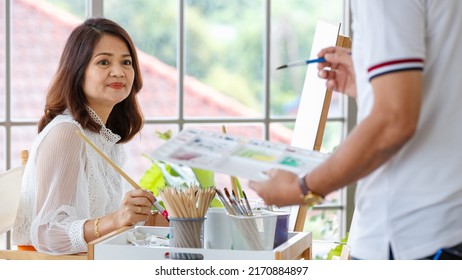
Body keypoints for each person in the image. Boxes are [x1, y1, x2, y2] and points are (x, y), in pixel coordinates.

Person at [250, 0, 462, 260]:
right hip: (448, 223)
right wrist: (373, 87)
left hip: (408, 238)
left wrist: (301, 189)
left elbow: (393, 122)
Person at [12, 18, 162, 255]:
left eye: (126, 62)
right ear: (78, 71)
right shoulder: (67, 133)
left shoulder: (107, 139)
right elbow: (48, 233)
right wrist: (117, 219)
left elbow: (119, 223)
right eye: (103, 62)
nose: (119, 72)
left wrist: (170, 218)